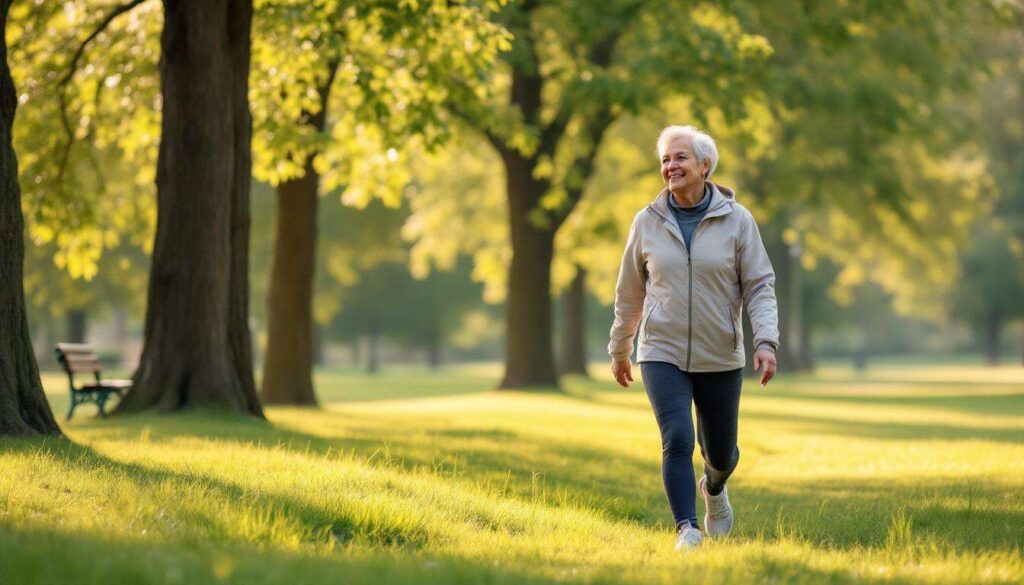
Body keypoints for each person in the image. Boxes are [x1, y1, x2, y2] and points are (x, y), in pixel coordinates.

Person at [608, 125, 779, 550]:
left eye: (680, 157)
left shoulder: (737, 221)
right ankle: (687, 528)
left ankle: (715, 489)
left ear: (705, 165)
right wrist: (620, 347)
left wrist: (765, 342)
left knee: (721, 454)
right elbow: (630, 291)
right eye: (665, 159)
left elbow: (759, 284)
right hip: (660, 350)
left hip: (720, 351)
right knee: (677, 437)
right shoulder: (646, 221)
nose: (671, 166)